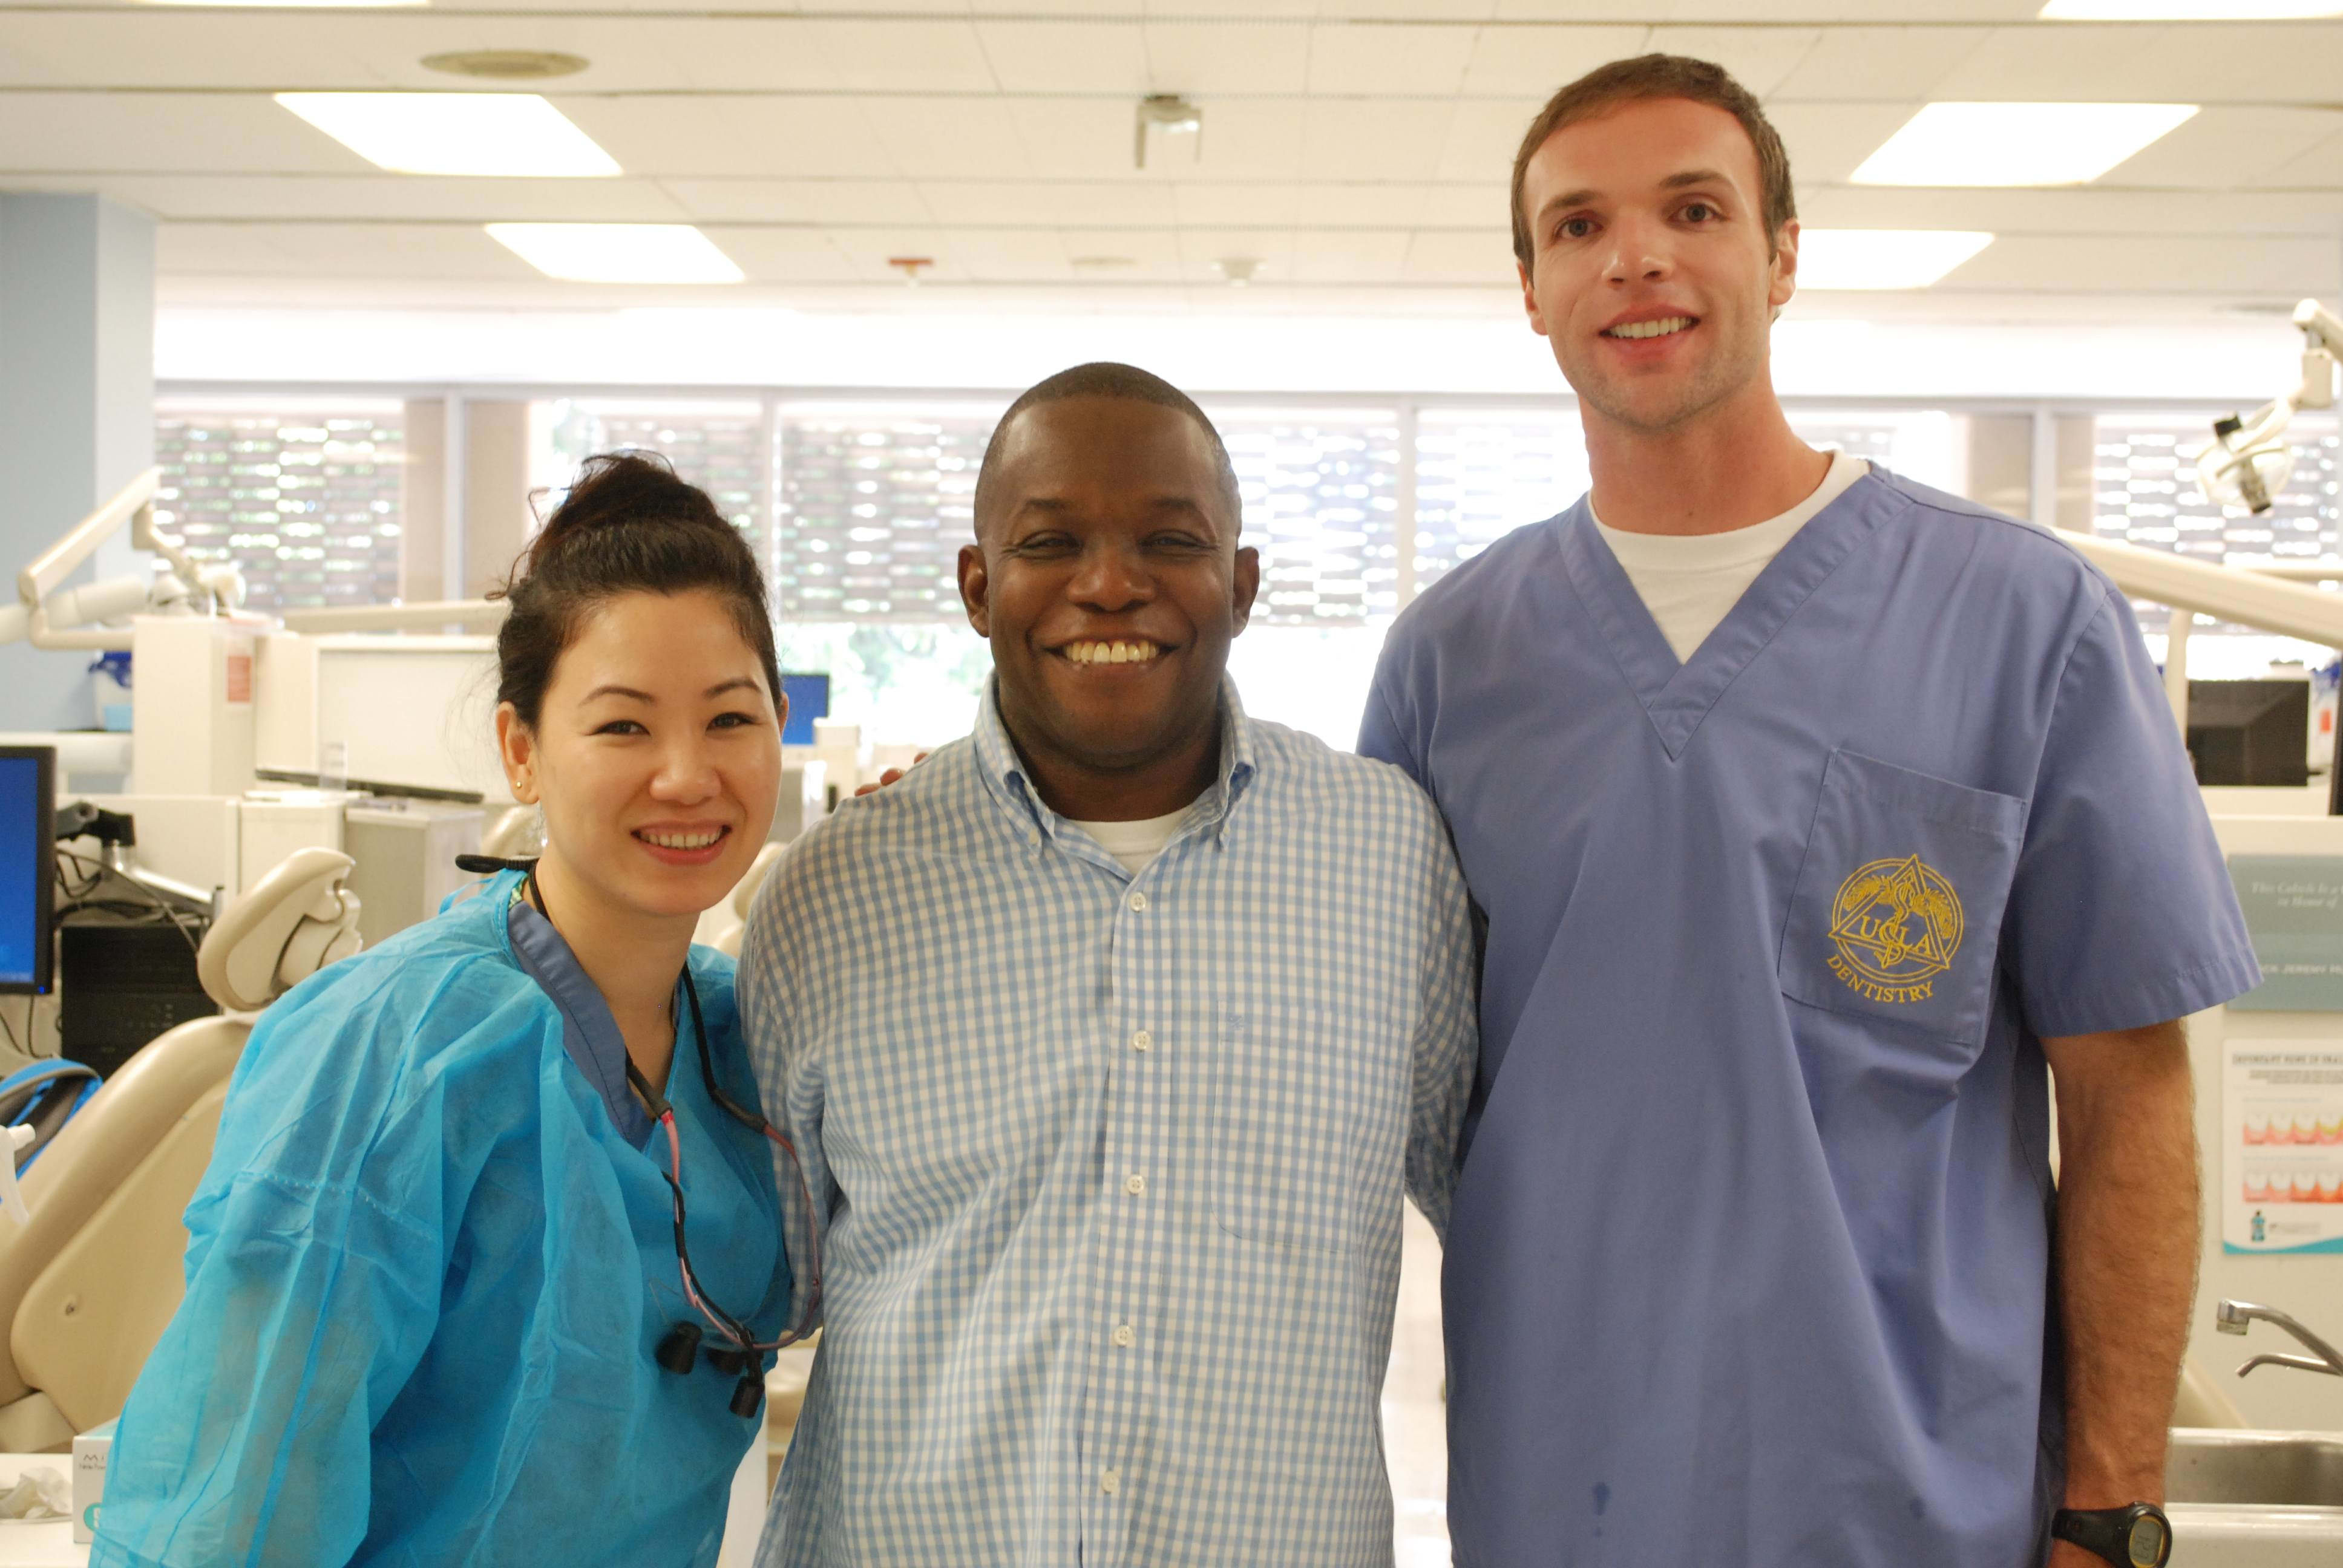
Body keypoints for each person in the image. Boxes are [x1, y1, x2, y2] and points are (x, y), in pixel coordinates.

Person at [1359, 54, 2259, 1568]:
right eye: (1576, 227)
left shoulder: (2019, 621)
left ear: (1781, 253)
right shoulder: (1454, 661)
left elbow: (2129, 1097)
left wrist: (2109, 1508)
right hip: (1557, 1490)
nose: (1633, 256)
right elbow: (1377, 1069)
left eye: (1690, 209)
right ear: (1528, 289)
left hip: (1915, 1501)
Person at [738, 362, 1476, 1567]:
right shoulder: (834, 895)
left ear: (1242, 585)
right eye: (1051, 541)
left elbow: (1493, 1208)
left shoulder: (1389, 857)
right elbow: (768, 1283)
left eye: (1169, 540)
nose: (1110, 583)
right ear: (977, 588)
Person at [93, 453, 807, 1568]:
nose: (686, 775)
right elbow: (236, 1496)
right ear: (522, 751)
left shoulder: (745, 1045)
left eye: (730, 719)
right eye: (623, 728)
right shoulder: (399, 1048)